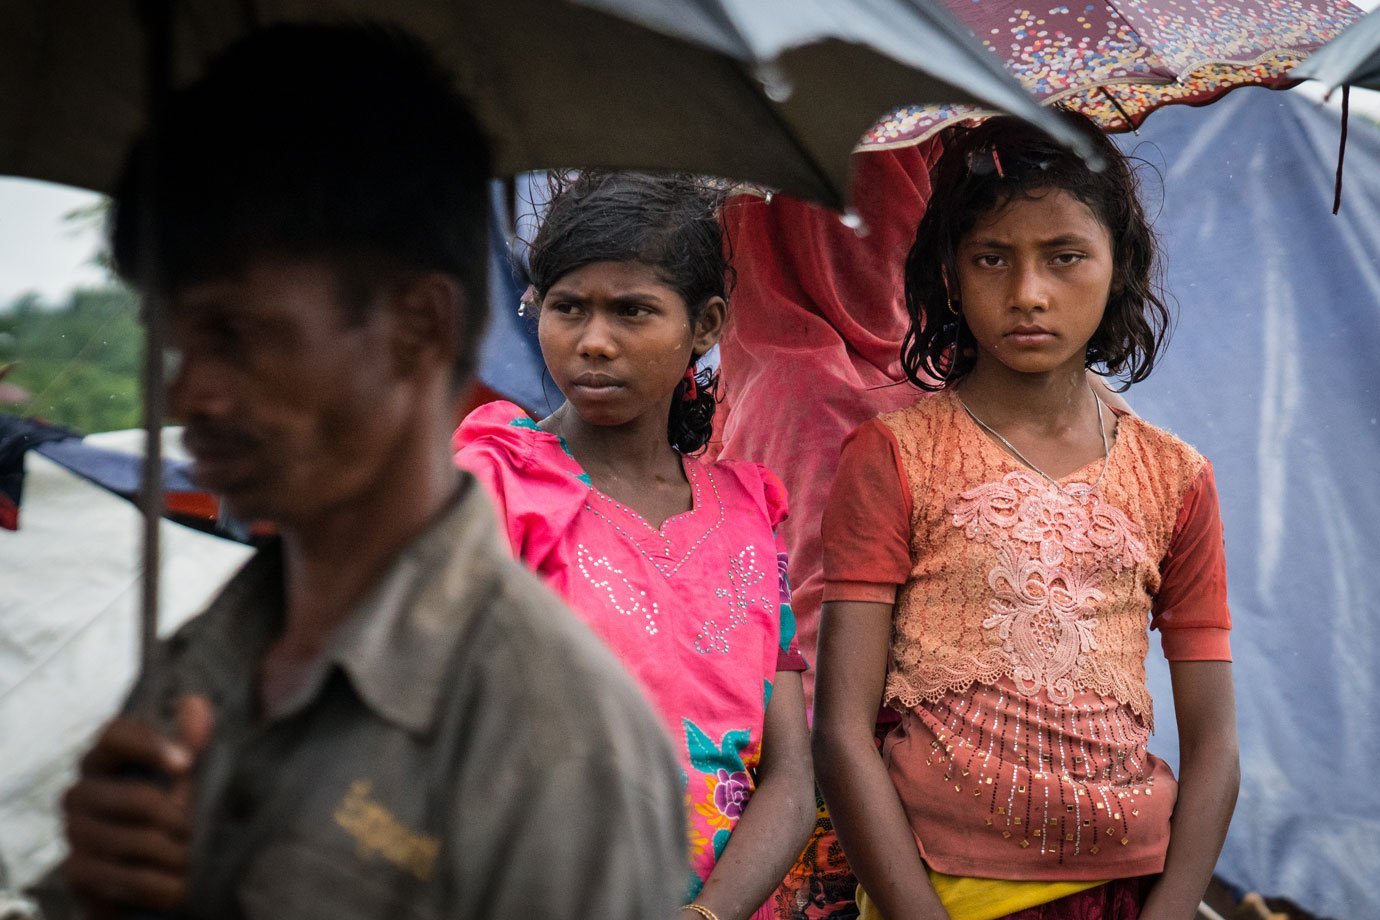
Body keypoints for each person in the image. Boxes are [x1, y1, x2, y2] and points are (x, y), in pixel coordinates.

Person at [55, 24, 687, 920]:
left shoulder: (555, 744)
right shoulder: (207, 657)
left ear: (419, 330)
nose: (191, 392)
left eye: (236, 335)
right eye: (176, 340)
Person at [812, 110, 1238, 920]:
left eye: (1065, 257)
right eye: (993, 259)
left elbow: (1215, 745)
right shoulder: (895, 456)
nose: (1029, 293)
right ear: (950, 273)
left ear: (1121, 266)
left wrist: (1171, 911)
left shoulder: (1176, 478)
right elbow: (840, 731)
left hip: (1126, 886)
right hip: (939, 888)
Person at [454, 171, 816, 920]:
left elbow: (788, 778)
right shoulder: (495, 483)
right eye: (568, 308)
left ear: (707, 325)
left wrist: (707, 915)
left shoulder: (747, 514)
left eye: (631, 311)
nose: (593, 341)